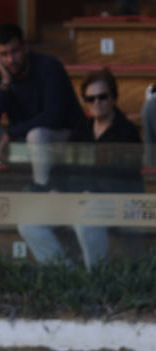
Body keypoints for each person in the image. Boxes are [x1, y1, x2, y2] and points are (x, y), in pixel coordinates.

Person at [19, 67, 144, 268]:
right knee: (28, 222)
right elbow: (61, 167)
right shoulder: (82, 129)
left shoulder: (127, 132)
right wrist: (55, 188)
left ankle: (96, 276)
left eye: (102, 97)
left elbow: (117, 178)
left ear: (113, 98)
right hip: (79, 199)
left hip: (118, 202)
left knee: (86, 216)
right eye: (90, 99)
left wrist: (80, 190)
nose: (97, 103)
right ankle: (65, 275)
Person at [0, 22, 85, 192]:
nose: (11, 59)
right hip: (22, 137)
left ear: (25, 47)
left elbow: (53, 117)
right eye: (4, 54)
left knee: (36, 134)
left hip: (64, 136)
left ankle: (44, 194)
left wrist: (11, 133)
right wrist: (5, 84)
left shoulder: (49, 66)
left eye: (15, 51)